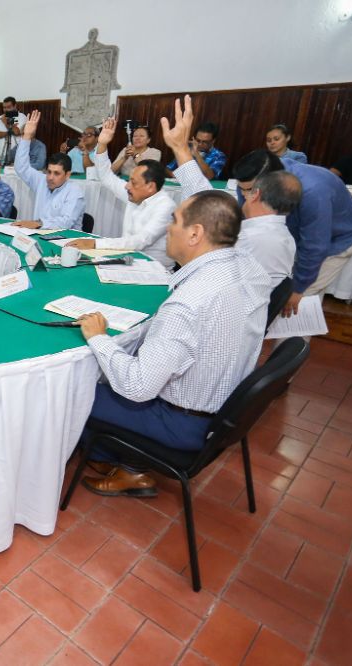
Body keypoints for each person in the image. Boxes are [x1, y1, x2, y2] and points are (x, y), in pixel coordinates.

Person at [77, 188, 272, 496]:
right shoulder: (251, 269)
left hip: (180, 423)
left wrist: (99, 337)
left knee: (76, 389)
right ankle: (112, 455)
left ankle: (131, 469)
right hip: (222, 411)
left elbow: (137, 387)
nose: (168, 228)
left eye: (175, 220)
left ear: (195, 234)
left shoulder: (188, 303)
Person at [165, 97, 299, 283]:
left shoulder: (261, 239)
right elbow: (203, 193)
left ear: (256, 193)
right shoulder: (257, 224)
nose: (242, 195)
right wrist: (180, 149)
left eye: (246, 189)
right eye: (241, 189)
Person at [234, 148, 352, 317]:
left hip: (335, 239)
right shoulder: (251, 181)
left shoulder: (313, 191)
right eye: (241, 189)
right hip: (294, 235)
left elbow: (315, 246)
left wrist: (297, 289)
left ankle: (299, 333)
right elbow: (247, 220)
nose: (245, 196)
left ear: (271, 184)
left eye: (250, 191)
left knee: (299, 302)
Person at [65, 117, 175, 266]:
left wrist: (95, 243)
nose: (127, 186)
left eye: (133, 182)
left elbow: (140, 241)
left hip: (155, 269)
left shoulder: (166, 206)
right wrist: (102, 144)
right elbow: (105, 176)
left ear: (150, 186)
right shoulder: (135, 194)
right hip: (128, 262)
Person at [11, 110, 85, 229]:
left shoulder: (74, 192)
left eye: (56, 173)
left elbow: (66, 223)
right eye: (49, 172)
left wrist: (38, 224)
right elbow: (21, 167)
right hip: (38, 234)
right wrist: (26, 137)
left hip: (65, 238)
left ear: (67, 175)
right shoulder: (42, 180)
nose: (50, 177)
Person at [0, 97, 27, 165]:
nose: (6, 110)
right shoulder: (0, 117)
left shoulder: (21, 117)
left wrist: (6, 122)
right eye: (4, 107)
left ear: (15, 106)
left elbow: (16, 132)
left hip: (15, 155)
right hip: (0, 155)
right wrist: (8, 132)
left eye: (8, 107)